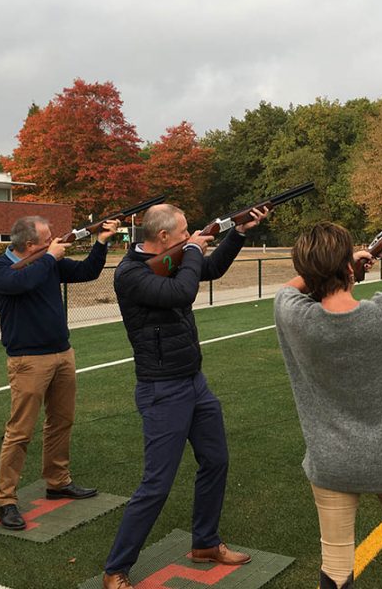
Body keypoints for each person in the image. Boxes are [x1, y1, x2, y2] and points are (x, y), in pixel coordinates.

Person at [103, 204, 268, 589]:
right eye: (183, 232)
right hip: (162, 389)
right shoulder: (130, 273)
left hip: (194, 382)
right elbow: (183, 291)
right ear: (163, 237)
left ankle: (205, 543)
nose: (189, 236)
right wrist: (193, 249)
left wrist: (238, 233)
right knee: (156, 484)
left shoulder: (171, 259)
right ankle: (115, 570)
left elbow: (211, 269)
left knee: (216, 460)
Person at [273, 216, 382, 589]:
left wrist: (332, 269)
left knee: (335, 565)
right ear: (349, 269)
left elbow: (288, 289)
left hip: (331, 463)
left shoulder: (293, 314)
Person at [0, 215, 119, 530]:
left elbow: (87, 272)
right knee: (20, 432)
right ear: (29, 244)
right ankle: (6, 499)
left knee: (61, 421)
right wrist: (49, 257)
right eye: (46, 239)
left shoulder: (48, 261)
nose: (53, 241)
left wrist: (101, 242)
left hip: (62, 353)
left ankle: (58, 482)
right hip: (28, 360)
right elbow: (22, 283)